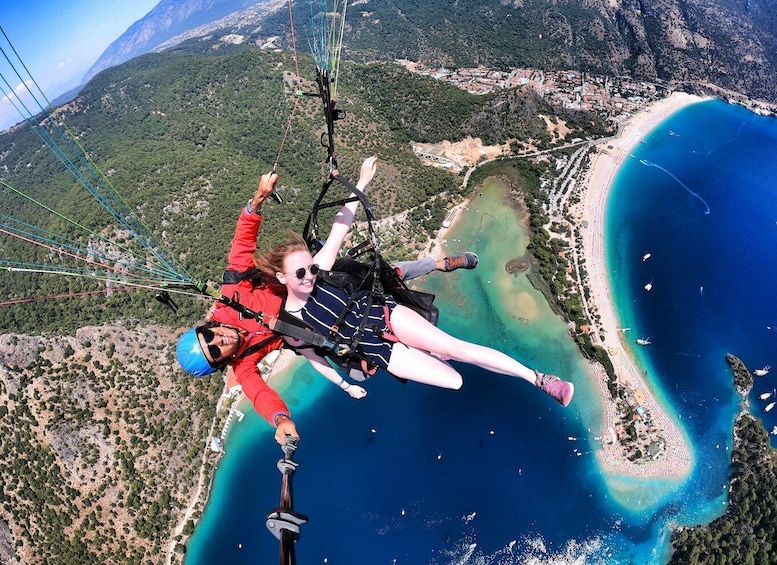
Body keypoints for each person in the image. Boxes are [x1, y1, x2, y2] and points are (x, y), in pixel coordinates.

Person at [176, 169, 483, 443]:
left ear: (208, 327)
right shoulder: (242, 365)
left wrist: (257, 201)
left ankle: (438, 264)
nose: (221, 340)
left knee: (382, 275)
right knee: (363, 358)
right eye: (216, 351)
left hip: (305, 285)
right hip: (313, 325)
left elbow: (241, 247)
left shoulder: (231, 297)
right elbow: (260, 396)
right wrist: (281, 420)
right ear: (221, 363)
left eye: (210, 337)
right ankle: (430, 351)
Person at [254, 156, 575, 406]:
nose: (310, 276)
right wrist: (346, 385)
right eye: (301, 274)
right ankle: (434, 347)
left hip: (382, 313)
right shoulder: (290, 323)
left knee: (455, 347)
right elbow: (313, 358)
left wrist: (362, 182)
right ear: (282, 278)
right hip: (374, 348)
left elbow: (342, 224)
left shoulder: (320, 270)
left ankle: (539, 379)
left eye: (310, 268)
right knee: (455, 380)